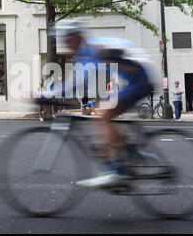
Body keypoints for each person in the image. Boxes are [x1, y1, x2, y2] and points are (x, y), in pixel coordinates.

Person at [53, 20, 157, 188]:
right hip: (135, 79)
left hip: (141, 78)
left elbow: (78, 81)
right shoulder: (86, 51)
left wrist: (49, 94)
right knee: (102, 113)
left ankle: (115, 171)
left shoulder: (92, 49)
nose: (66, 45)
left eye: (68, 40)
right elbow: (78, 80)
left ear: (77, 37)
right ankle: (131, 152)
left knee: (103, 116)